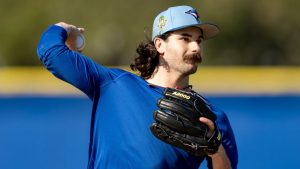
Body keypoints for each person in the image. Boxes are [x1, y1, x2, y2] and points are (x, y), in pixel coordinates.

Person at [37, 5, 238, 169]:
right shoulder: (113, 85)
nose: (195, 47)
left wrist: (216, 149)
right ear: (160, 45)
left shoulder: (211, 117)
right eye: (185, 38)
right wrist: (65, 28)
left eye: (199, 41)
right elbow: (50, 51)